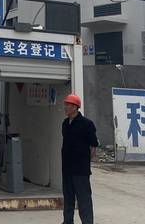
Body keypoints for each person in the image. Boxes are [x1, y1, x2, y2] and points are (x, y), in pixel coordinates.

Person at [61, 93, 98, 224]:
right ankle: (67, 221)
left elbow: (93, 146)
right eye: (65, 105)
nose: (65, 107)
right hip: (67, 168)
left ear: (75, 107)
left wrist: (85, 161)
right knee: (68, 198)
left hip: (80, 170)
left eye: (68, 105)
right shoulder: (65, 123)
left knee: (84, 199)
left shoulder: (86, 124)